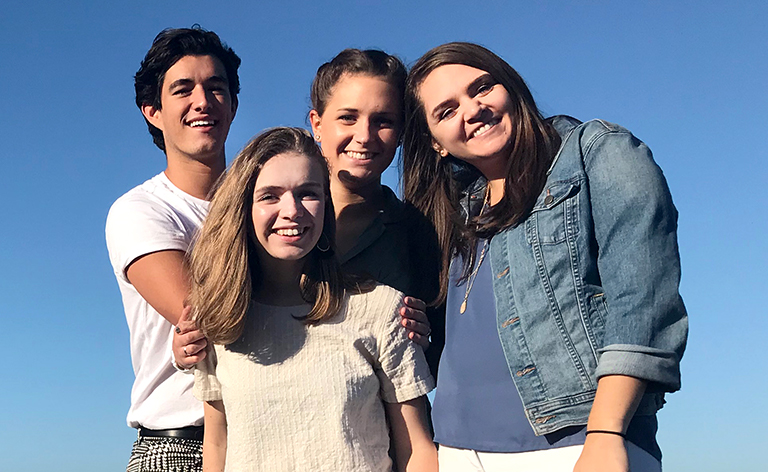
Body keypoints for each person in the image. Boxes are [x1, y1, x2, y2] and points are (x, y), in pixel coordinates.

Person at [401, 42, 688, 472]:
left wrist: (606, 433)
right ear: (436, 143)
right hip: (456, 453)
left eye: (481, 87)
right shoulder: (455, 217)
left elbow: (643, 302)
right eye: (446, 111)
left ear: (511, 87)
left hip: (574, 445)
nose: (472, 109)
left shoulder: (596, 153)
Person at [174, 49, 442, 374]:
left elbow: (439, 354)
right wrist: (187, 346)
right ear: (317, 123)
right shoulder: (258, 224)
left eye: (383, 121)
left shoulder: (422, 233)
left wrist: (425, 339)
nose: (365, 135)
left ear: (401, 131)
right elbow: (216, 321)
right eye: (348, 117)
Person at [190, 127, 438, 471]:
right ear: (243, 209)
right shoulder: (219, 322)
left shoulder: (380, 308)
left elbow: (417, 450)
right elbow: (217, 444)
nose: (292, 210)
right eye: (269, 196)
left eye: (308, 193)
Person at [105, 26, 240, 471]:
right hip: (179, 446)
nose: (203, 101)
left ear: (233, 104)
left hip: (275, 429)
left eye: (215, 87)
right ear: (153, 112)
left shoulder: (268, 204)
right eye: (182, 89)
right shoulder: (139, 211)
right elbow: (208, 315)